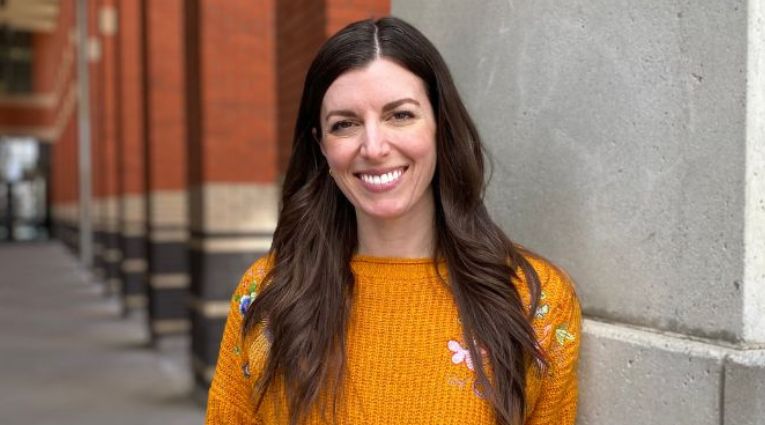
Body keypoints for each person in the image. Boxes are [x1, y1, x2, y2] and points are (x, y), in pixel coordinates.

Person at [205, 16, 581, 425]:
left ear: (440, 125)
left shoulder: (533, 301)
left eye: (400, 115)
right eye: (344, 124)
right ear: (322, 148)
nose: (374, 146)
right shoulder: (268, 296)